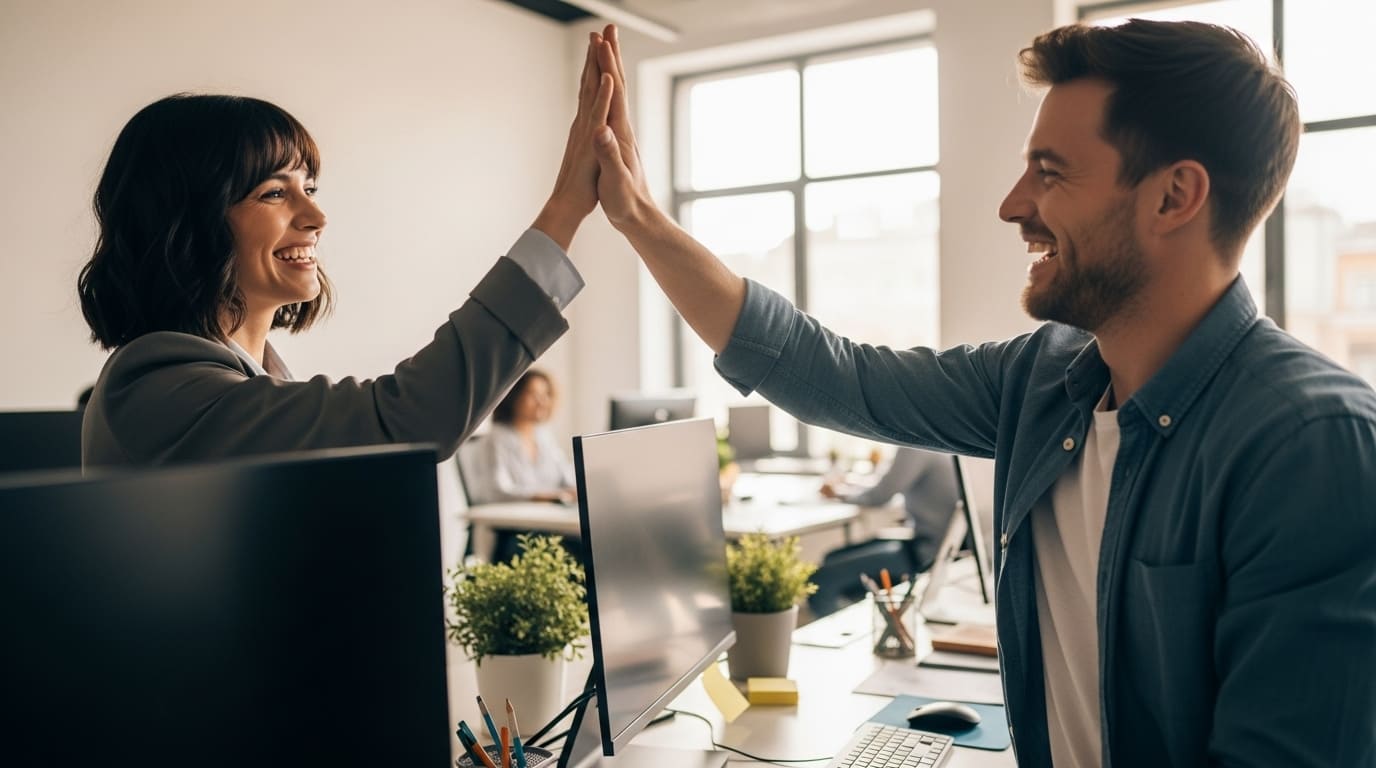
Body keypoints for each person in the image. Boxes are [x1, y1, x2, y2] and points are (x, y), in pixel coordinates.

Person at [585, 20, 1376, 767]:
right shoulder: (1041, 381)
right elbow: (831, 372)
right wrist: (639, 218)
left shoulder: (1312, 443)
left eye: (1050, 173)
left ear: (1174, 197)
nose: (1012, 205)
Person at [76, 36, 614, 467]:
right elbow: (406, 419)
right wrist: (565, 209)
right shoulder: (159, 385)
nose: (316, 218)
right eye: (273, 192)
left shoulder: (249, 379)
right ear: (186, 223)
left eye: (308, 188)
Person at [820, 446, 957, 570]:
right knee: (835, 556)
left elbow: (880, 496)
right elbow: (885, 487)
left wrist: (840, 495)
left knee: (826, 570)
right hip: (944, 548)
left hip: (927, 553)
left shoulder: (915, 446)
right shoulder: (939, 444)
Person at [468, 369, 576, 504]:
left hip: (547, 515)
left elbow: (566, 478)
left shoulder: (544, 435)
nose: (542, 402)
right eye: (533, 395)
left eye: (546, 394)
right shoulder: (496, 438)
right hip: (513, 520)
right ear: (513, 397)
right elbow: (497, 491)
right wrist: (545, 497)